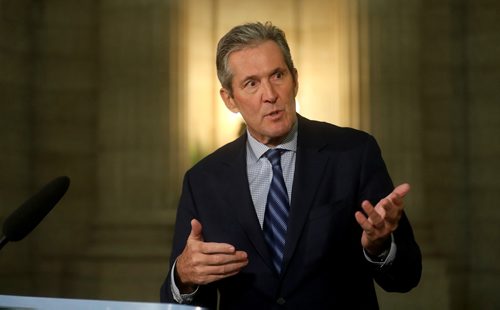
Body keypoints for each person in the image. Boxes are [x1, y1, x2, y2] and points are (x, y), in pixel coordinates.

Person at [160, 21, 421, 309]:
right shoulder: (203, 181)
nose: (270, 94)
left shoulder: (353, 153)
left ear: (295, 80)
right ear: (230, 99)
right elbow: (182, 302)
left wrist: (380, 246)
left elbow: (406, 277)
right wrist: (183, 276)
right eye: (251, 83)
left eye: (277, 75)